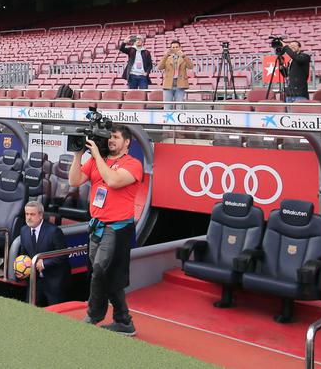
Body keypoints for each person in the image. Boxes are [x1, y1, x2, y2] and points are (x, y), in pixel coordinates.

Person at [67, 124, 144, 335]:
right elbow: (73, 181)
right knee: (105, 274)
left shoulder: (133, 164)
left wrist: (97, 157)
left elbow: (113, 180)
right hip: (97, 226)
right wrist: (78, 155)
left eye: (116, 137)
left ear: (127, 142)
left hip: (117, 228)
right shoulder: (94, 161)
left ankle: (93, 314)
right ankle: (124, 321)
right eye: (109, 137)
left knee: (100, 270)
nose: (111, 141)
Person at [18, 200, 69, 306]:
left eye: (32, 214)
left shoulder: (54, 231)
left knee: (56, 314)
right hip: (34, 280)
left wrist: (44, 263)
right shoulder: (24, 230)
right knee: (30, 310)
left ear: (41, 215)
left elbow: (63, 254)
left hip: (54, 280)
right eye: (27, 214)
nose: (28, 217)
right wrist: (21, 267)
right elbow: (24, 253)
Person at [159, 41, 193, 107]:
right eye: (173, 47)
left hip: (180, 83)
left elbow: (191, 66)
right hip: (168, 84)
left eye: (177, 47)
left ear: (180, 48)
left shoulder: (184, 58)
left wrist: (184, 56)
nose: (175, 49)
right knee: (167, 106)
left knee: (179, 106)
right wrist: (165, 56)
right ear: (171, 49)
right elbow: (160, 67)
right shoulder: (167, 58)